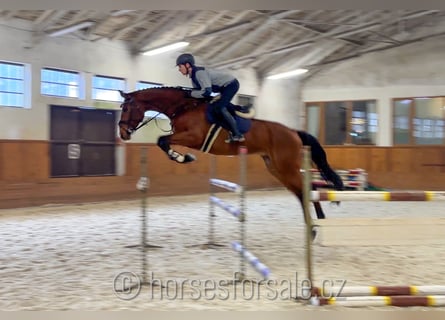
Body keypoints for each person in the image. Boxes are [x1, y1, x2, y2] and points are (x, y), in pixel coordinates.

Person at [175, 53, 245, 143]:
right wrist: (184, 91)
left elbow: (207, 92)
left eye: (180, 66)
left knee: (219, 108)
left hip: (231, 85)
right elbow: (198, 93)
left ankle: (237, 134)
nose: (179, 69)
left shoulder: (199, 73)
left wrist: (189, 94)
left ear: (187, 65)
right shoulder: (193, 78)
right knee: (215, 105)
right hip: (222, 87)